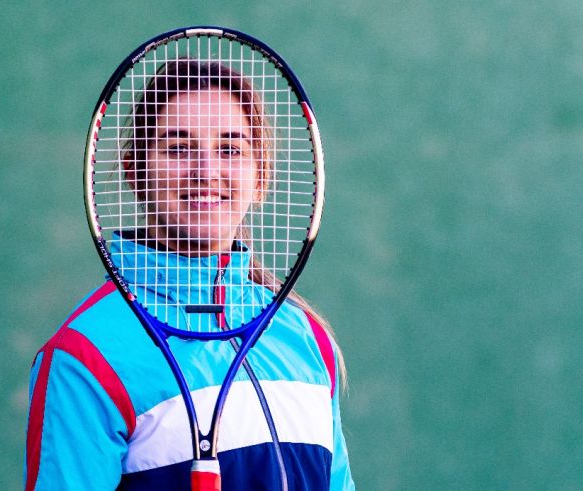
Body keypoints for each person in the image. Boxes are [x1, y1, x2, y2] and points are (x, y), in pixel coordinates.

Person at [24, 59, 355, 490]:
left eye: (230, 149)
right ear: (135, 171)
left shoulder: (307, 339)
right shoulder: (85, 357)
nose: (206, 171)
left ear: (260, 176)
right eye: (178, 147)